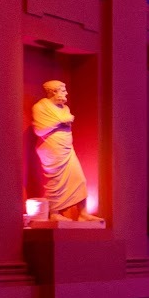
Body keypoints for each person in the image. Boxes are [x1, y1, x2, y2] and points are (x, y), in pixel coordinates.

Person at [31, 80, 99, 222]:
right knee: (55, 181)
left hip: (67, 149)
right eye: (63, 90)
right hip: (51, 149)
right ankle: (54, 213)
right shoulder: (40, 107)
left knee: (79, 179)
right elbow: (39, 130)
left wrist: (64, 120)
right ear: (53, 92)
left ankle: (83, 213)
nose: (66, 93)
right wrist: (60, 121)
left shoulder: (64, 108)